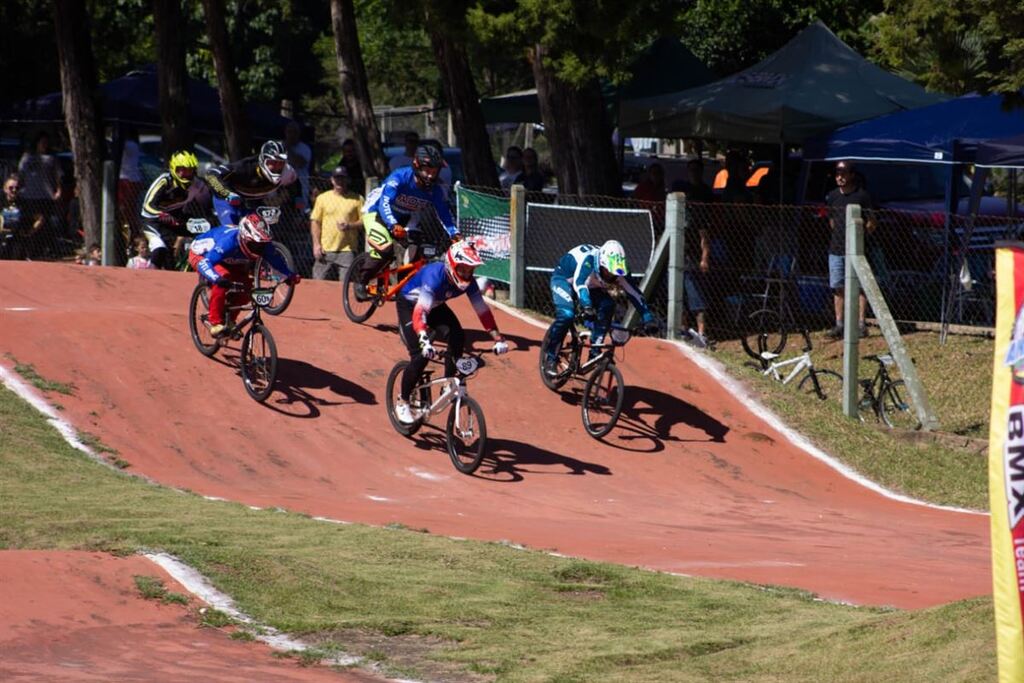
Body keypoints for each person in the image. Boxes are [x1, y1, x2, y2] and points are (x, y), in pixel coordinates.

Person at [393, 241, 509, 423]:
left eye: (471, 270)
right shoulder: (435, 277)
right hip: (410, 305)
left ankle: (448, 381)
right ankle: (403, 401)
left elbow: (482, 310)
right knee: (419, 356)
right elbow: (420, 312)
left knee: (457, 335)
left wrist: (498, 338)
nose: (467, 274)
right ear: (452, 266)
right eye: (463, 269)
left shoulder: (468, 282)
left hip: (436, 305)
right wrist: (424, 339)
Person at [355, 145, 461, 299]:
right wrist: (392, 225)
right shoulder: (400, 177)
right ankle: (361, 282)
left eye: (435, 171)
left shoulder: (435, 190)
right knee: (386, 248)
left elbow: (444, 213)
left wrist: (454, 233)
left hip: (406, 218)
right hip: (376, 212)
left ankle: (403, 289)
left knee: (417, 251)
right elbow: (384, 204)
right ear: (417, 166)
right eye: (428, 170)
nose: (431, 176)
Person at [541, 240, 661, 375]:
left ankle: (594, 352)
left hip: (591, 286)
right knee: (567, 315)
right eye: (608, 271)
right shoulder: (590, 260)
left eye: (614, 274)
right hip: (565, 280)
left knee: (608, 305)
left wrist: (648, 318)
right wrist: (587, 306)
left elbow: (634, 294)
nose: (612, 276)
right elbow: (580, 284)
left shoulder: (619, 269)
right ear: (601, 264)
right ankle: (550, 358)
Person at [188, 212, 300, 337]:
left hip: (230, 259)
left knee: (246, 287)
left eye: (261, 245)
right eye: (254, 244)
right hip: (202, 254)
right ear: (244, 238)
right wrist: (216, 278)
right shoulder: (228, 243)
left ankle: (230, 320)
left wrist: (289, 275)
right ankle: (215, 322)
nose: (258, 248)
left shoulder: (263, 243)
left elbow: (276, 262)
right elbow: (206, 263)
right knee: (223, 277)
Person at [139, 151, 215, 269]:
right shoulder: (164, 180)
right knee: (159, 249)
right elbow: (147, 207)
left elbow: (205, 204)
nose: (184, 174)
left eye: (188, 170)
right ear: (174, 168)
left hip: (174, 221)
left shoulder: (195, 184)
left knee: (209, 230)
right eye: (180, 170)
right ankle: (149, 276)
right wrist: (161, 214)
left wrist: (207, 220)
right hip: (153, 221)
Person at [825, 160, 876, 339]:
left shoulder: (862, 196)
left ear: (851, 175)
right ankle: (839, 323)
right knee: (838, 286)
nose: (840, 177)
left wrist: (861, 237)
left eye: (843, 174)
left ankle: (861, 323)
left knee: (859, 286)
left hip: (857, 250)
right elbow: (831, 221)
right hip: (836, 248)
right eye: (838, 174)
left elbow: (871, 222)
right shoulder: (832, 196)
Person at [205, 140, 298, 228]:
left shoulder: (288, 173)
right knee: (232, 229)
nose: (277, 167)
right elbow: (211, 174)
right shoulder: (245, 168)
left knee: (261, 232)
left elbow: (295, 184)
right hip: (228, 200)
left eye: (280, 164)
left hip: (252, 202)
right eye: (272, 163)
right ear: (263, 160)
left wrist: (298, 198)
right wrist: (227, 194)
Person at [310, 165, 363, 282]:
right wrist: (316, 245)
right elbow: (315, 222)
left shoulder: (357, 199)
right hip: (325, 249)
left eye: (343, 178)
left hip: (347, 249)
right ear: (332, 180)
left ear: (348, 180)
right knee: (318, 283)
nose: (340, 181)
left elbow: (364, 221)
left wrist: (350, 226)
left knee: (345, 285)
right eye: (337, 178)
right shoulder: (322, 198)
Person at [18, 131, 63, 257]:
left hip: (45, 196)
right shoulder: (27, 157)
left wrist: (58, 190)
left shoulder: (51, 158)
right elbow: (21, 175)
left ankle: (40, 250)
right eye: (42, 142)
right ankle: (25, 251)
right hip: (29, 196)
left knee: (44, 222)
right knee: (27, 222)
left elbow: (58, 176)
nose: (44, 145)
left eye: (46, 143)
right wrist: (19, 189)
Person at [117, 127, 145, 239]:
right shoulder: (134, 144)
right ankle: (131, 231)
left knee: (126, 209)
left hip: (127, 179)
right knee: (129, 209)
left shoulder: (129, 144)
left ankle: (132, 233)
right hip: (131, 179)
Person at [284, 120, 311, 211]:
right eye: (289, 132)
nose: (291, 135)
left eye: (294, 132)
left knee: (299, 211)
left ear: (298, 134)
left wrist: (288, 149)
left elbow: (299, 163)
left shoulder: (304, 148)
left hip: (300, 187)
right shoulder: (279, 146)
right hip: (283, 188)